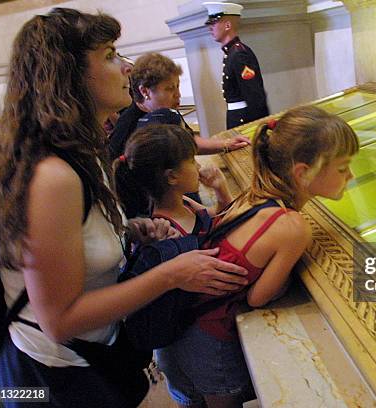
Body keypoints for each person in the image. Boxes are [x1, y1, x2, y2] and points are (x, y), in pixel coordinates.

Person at [0, 8, 248, 408]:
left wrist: (129, 229)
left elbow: (74, 240)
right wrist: (171, 274)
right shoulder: (52, 175)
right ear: (69, 74)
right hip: (51, 379)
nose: (126, 68)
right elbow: (59, 321)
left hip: (94, 358)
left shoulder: (84, 153)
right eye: (111, 54)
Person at [155, 105, 359, 408]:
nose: (351, 176)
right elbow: (259, 297)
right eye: (342, 168)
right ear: (303, 172)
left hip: (182, 335)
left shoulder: (255, 196)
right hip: (210, 343)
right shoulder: (292, 227)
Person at [109, 52, 250, 160]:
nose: (178, 95)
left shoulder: (165, 112)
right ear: (145, 91)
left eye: (177, 87)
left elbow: (187, 140)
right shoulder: (128, 128)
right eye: (170, 89)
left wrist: (226, 144)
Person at [113, 123, 232, 239]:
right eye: (192, 161)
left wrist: (220, 189)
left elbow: (220, 216)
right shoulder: (167, 231)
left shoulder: (184, 202)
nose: (198, 166)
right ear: (172, 177)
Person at [204, 2, 270, 129]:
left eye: (214, 23)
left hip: (243, 120)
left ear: (228, 25)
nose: (210, 28)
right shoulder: (232, 53)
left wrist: (258, 128)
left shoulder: (239, 54)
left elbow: (255, 96)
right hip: (237, 117)